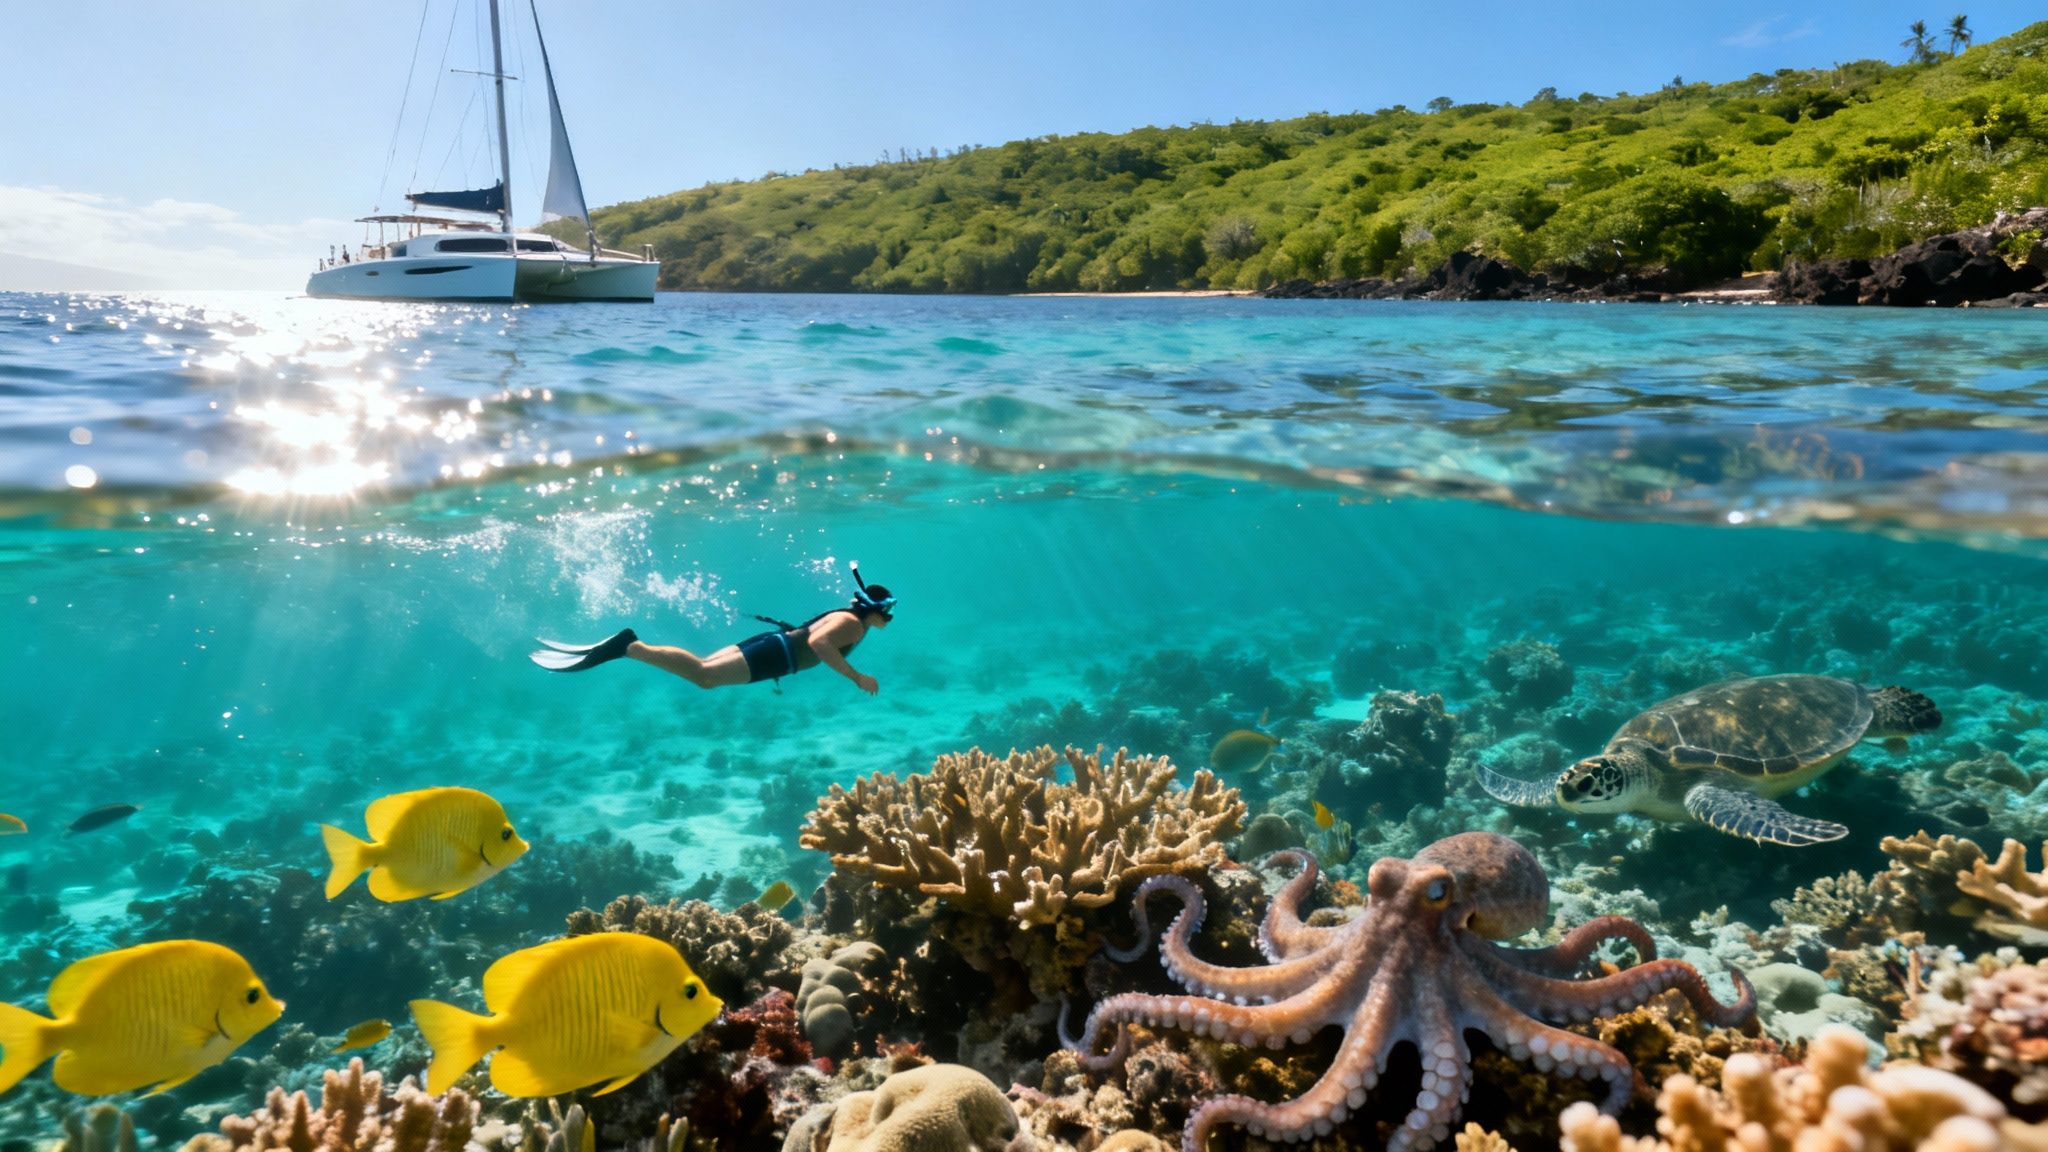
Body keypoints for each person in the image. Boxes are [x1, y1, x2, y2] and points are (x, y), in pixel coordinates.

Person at [530, 564, 895, 695]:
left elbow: (813, 637)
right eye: (888, 611)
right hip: (773, 655)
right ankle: (629, 647)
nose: (889, 619)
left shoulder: (847, 618)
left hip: (772, 647)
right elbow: (819, 643)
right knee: (705, 677)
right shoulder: (853, 625)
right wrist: (856, 677)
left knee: (704, 669)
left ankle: (630, 647)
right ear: (873, 609)